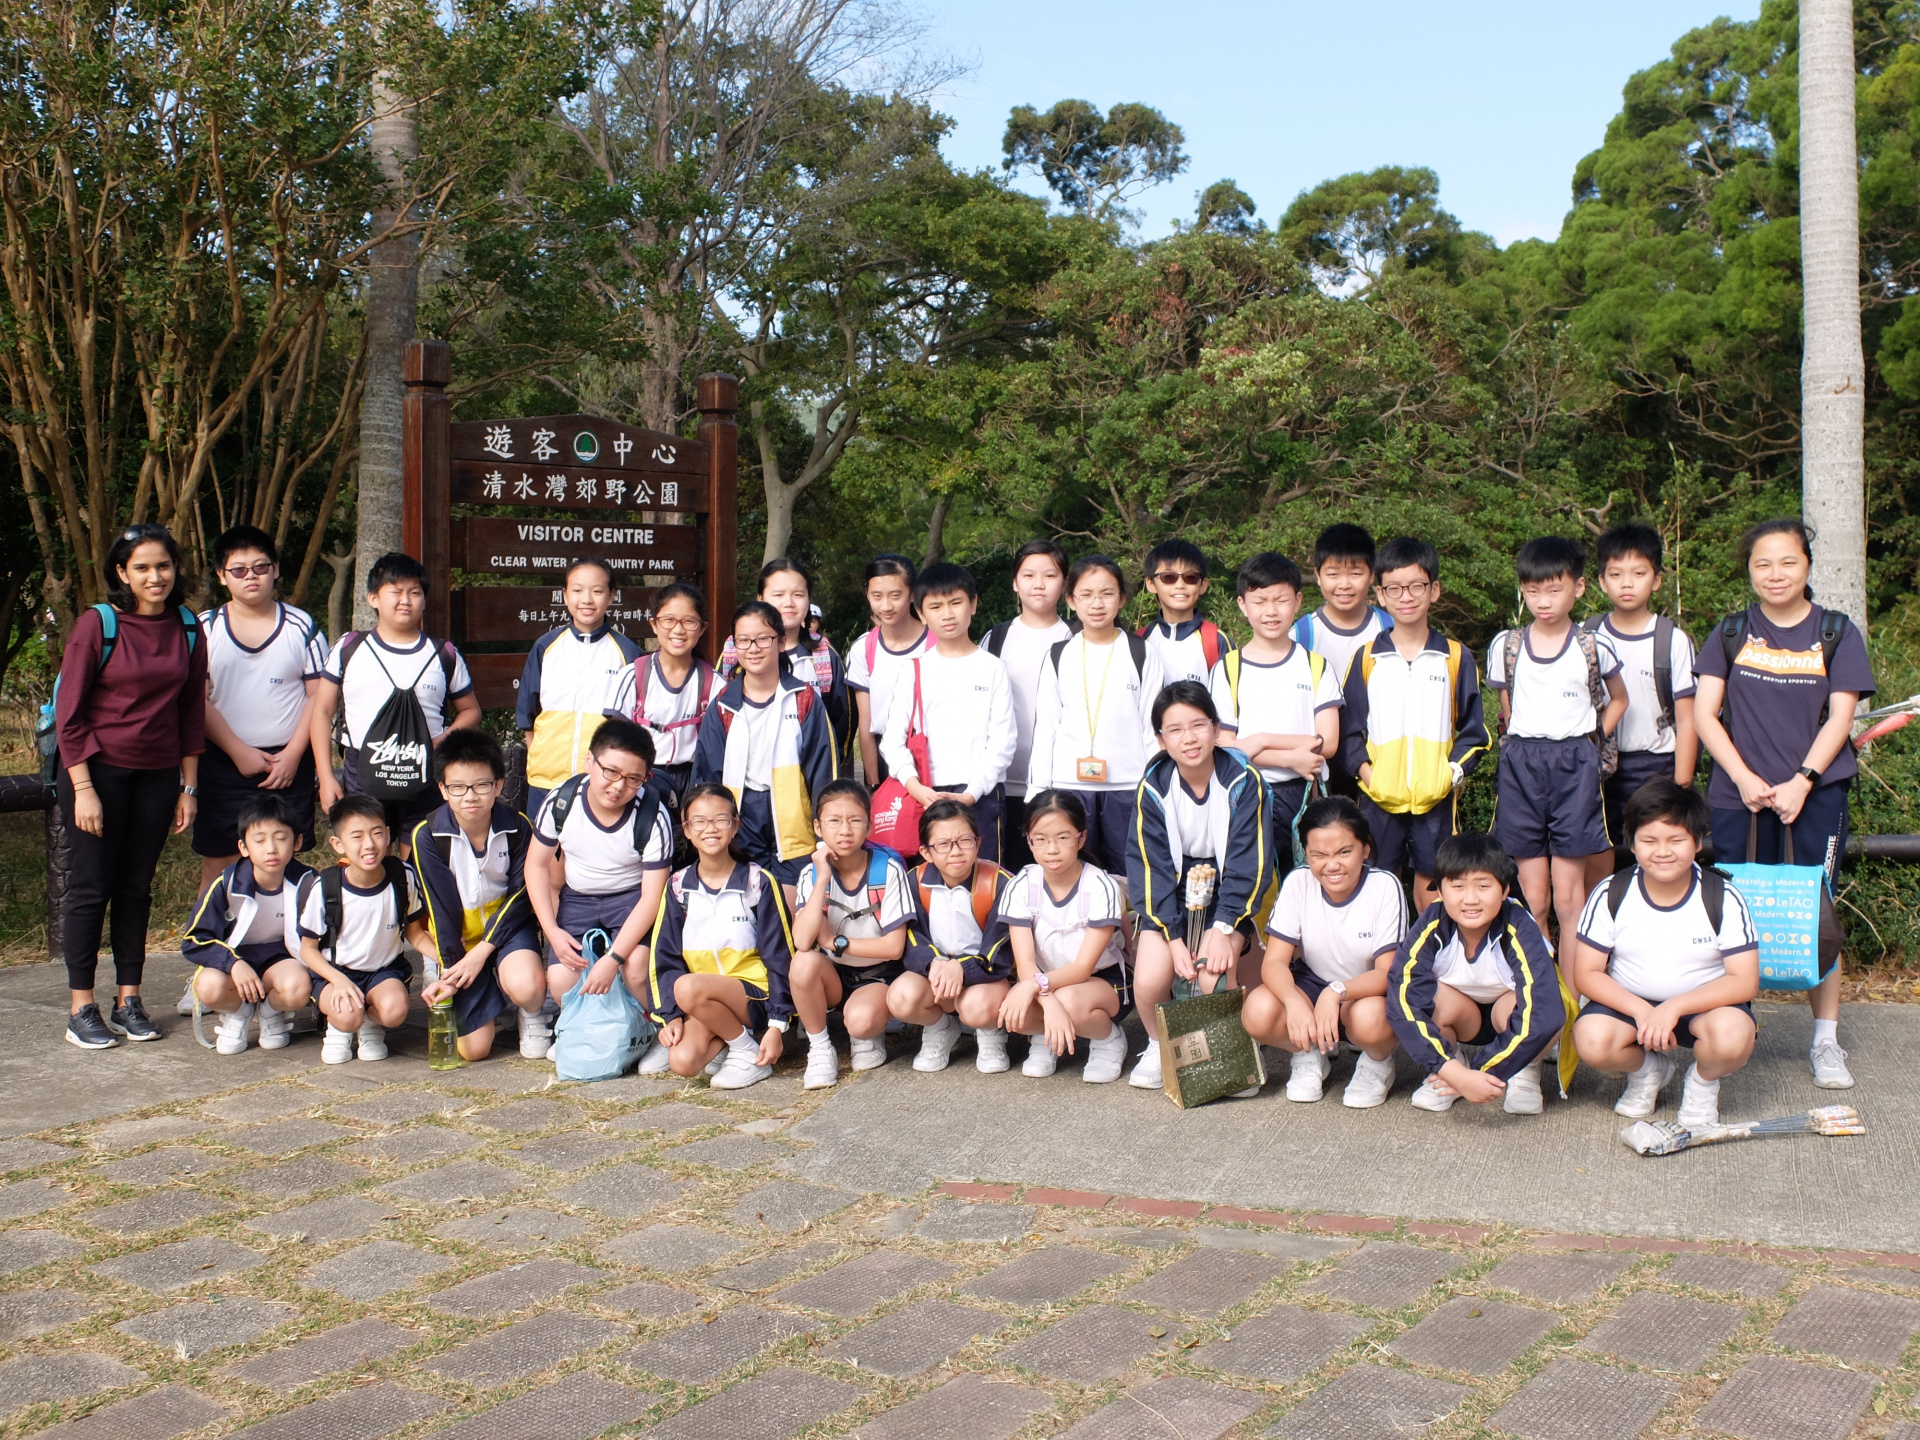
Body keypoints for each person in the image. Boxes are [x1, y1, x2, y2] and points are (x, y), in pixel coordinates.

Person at [1692, 517, 1874, 1090]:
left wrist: (1803, 780)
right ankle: (1734, 1026)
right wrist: (1743, 777)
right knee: (1734, 912)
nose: (1775, 574)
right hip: (1737, 796)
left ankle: (1826, 1040)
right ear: (1749, 571)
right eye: (1763, 564)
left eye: (1788, 562)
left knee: (1816, 910)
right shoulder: (1730, 631)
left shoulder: (1836, 632)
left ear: (1808, 566)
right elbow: (1704, 715)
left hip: (1815, 795)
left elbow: (1840, 717)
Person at [55, 522, 207, 1049]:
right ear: (122, 572)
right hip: (96, 771)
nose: (154, 576)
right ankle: (81, 1007)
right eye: (141, 567)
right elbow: (70, 715)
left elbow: (190, 711)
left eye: (163, 565)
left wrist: (189, 787)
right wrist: (83, 788)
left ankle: (129, 1000)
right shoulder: (97, 624)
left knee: (136, 887)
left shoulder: (187, 626)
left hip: (158, 774)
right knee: (91, 886)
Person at [1571, 781, 1759, 1128]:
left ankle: (1703, 1082)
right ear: (1632, 843)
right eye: (1649, 841)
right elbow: (1587, 973)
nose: (1662, 852)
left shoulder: (1723, 896)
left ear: (1698, 842)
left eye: (1676, 840)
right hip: (1631, 1004)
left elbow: (1744, 981)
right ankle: (1648, 1070)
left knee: (1732, 1037)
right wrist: (1642, 1010)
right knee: (1592, 1040)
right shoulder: (1611, 892)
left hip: (1704, 1007)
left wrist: (1673, 1008)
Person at [1125, 682, 1272, 1092]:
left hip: (1228, 894)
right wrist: (1173, 938)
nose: (1188, 738)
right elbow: (1148, 867)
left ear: (1216, 728)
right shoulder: (1153, 786)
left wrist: (1223, 928)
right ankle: (1159, 1044)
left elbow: (1249, 861)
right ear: (1161, 739)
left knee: (1213, 975)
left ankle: (1235, 1055)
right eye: (1175, 729)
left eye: (1198, 725)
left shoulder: (1244, 780)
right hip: (1173, 894)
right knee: (1150, 979)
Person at [1485, 536, 1628, 955]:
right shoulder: (1506, 645)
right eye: (1533, 591)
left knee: (1568, 897)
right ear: (1522, 590)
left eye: (1553, 590)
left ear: (1578, 588)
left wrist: (1592, 741)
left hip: (1574, 764)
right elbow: (1508, 706)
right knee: (1534, 898)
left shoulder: (1593, 645)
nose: (1543, 601)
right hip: (1521, 764)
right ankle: (1542, 986)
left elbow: (1620, 699)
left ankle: (1576, 990)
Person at [1338, 537, 1489, 911]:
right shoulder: (1367, 658)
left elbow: (1474, 731)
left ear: (1434, 590)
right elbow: (1348, 729)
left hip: (1435, 801)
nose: (1406, 596)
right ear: (1380, 595)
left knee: (1433, 887)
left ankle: (1432, 949)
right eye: (1394, 588)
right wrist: (1369, 775)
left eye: (1416, 586)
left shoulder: (1454, 657)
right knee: (1377, 887)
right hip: (1378, 801)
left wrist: (1449, 774)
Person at [1242, 796, 1409, 1107]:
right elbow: (1274, 961)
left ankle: (1377, 1063)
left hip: (1364, 993)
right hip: (1311, 984)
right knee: (1258, 1010)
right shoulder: (1298, 882)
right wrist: (1293, 1001)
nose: (1332, 865)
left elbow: (1388, 973)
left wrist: (1337, 992)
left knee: (1372, 1019)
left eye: (1344, 852)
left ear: (1365, 848)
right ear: (1306, 853)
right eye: (1318, 854)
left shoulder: (1384, 886)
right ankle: (1307, 1053)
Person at [525, 718, 675, 1061]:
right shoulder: (561, 802)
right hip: (578, 897)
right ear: (590, 761)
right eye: (611, 771)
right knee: (561, 977)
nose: (619, 786)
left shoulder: (653, 816)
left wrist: (613, 959)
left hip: (632, 898)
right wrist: (552, 931)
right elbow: (536, 866)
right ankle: (579, 1028)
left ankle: (655, 1030)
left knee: (635, 966)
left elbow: (652, 897)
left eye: (633, 778)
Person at [312, 552, 480, 853]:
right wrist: (326, 777)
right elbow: (322, 712)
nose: (406, 600)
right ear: (373, 598)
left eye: (415, 592)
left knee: (420, 860)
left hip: (425, 773)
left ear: (424, 601)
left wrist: (442, 739)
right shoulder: (350, 648)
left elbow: (470, 711)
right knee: (368, 857)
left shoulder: (443, 653)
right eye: (396, 591)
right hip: (363, 773)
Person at [1387, 832, 1565, 1115]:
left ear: (1504, 890)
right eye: (1457, 886)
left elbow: (1546, 1012)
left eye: (1483, 886)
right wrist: (1454, 1073)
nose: (1470, 899)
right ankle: (1449, 1066)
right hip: (1461, 1015)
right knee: (1423, 997)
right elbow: (1402, 999)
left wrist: (1487, 1071)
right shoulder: (1432, 923)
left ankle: (1524, 1070)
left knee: (1542, 1009)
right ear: (1440, 891)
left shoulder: (1519, 924)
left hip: (1507, 1013)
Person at [193, 524, 326, 893]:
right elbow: (195, 700)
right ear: (222, 576)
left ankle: (286, 929)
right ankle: (212, 929)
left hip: (288, 764)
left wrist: (293, 755)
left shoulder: (302, 626)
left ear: (276, 569)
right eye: (238, 570)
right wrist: (238, 752)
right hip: (222, 763)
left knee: (284, 860)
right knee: (220, 865)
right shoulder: (205, 629)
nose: (250, 576)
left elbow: (318, 697)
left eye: (260, 567)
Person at [642, 783, 796, 1088]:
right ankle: (736, 1040)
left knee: (686, 986)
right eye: (699, 821)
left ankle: (747, 1052)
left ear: (735, 825)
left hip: (755, 995)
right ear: (686, 829)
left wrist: (778, 1024)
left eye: (720, 820)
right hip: (705, 998)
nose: (710, 829)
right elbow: (663, 955)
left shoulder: (758, 882)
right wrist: (669, 1016)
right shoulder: (678, 886)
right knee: (683, 1062)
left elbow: (781, 955)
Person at [413, 731, 546, 1062]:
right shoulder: (428, 835)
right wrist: (452, 972)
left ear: (498, 785)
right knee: (473, 1050)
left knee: (527, 986)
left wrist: (484, 950)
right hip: (461, 941)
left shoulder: (518, 826)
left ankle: (529, 1011)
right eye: (458, 787)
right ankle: (494, 997)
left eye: (481, 785)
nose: (470, 796)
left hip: (509, 930)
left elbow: (522, 896)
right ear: (443, 789)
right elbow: (440, 910)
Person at [1027, 556, 1164, 871]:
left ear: (1122, 599)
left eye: (1107, 593)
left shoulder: (1142, 652)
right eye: (1086, 594)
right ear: (1071, 601)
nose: (1097, 603)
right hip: (1069, 787)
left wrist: (1154, 787)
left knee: (1130, 873)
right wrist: (1039, 794)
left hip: (1128, 786)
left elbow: (1152, 728)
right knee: (1073, 871)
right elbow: (1046, 726)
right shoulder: (1059, 655)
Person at [1210, 551, 1343, 873]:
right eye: (1260, 601)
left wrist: (1257, 742)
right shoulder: (1228, 669)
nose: (1271, 611)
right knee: (1255, 884)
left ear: (1297, 602)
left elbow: (1327, 743)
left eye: (1281, 600)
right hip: (1247, 792)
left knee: (1309, 880)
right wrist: (1288, 757)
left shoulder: (1315, 666)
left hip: (1306, 795)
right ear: (1242, 604)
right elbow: (1224, 747)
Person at [692, 601, 839, 892]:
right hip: (741, 817)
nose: (753, 648)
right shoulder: (722, 705)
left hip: (793, 818)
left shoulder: (804, 699)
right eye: (744, 640)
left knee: (794, 904)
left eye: (763, 639)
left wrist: (826, 830)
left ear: (781, 642)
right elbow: (708, 775)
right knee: (747, 900)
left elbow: (823, 771)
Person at [879, 562, 1016, 863]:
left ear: (973, 604)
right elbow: (892, 741)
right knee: (930, 875)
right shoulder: (914, 670)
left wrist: (972, 792)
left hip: (981, 795)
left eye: (956, 603)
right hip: (925, 794)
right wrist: (915, 786)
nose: (947, 614)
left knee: (984, 875)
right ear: (920, 613)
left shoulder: (993, 668)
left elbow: (1003, 742)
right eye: (936, 606)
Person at [1586, 523, 1699, 876]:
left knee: (1657, 858)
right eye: (1616, 574)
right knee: (1597, 856)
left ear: (1657, 580)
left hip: (1656, 767)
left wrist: (1681, 788)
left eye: (1639, 573)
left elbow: (1688, 720)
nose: (1627, 583)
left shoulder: (1672, 640)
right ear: (1601, 581)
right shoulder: (1587, 636)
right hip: (1596, 766)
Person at [996, 789, 1132, 1081]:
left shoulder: (1101, 885)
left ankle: (1108, 1037)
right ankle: (1047, 1035)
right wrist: (1047, 1002)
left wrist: (1036, 988)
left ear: (1081, 838)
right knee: (1012, 1009)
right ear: (1029, 840)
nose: (1052, 849)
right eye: (1041, 839)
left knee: (1067, 1001)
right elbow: (1026, 962)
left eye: (1063, 838)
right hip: (1043, 980)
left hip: (1102, 981)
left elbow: (1083, 967)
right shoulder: (1021, 884)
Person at [789, 779, 915, 1088]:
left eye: (855, 821)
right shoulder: (811, 874)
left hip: (878, 975)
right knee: (803, 962)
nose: (845, 830)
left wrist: (836, 943)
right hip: (834, 975)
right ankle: (820, 1048)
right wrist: (822, 879)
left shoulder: (888, 869)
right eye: (834, 821)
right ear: (818, 827)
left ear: (869, 826)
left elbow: (893, 947)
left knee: (860, 1022)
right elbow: (803, 941)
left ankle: (870, 1031)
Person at [183, 794, 320, 1055]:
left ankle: (270, 1012)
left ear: (297, 842)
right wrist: (233, 963)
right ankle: (239, 1013)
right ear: (244, 847)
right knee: (208, 987)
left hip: (280, 961)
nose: (271, 848)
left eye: (281, 838)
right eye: (260, 840)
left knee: (298, 986)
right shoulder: (227, 884)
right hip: (234, 963)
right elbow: (193, 940)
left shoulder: (308, 882)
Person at [888, 799, 1016, 1073]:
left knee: (978, 1007)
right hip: (935, 973)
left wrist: (961, 968)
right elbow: (911, 936)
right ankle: (940, 1028)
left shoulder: (1000, 882)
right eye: (943, 844)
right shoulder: (914, 881)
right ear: (926, 852)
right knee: (901, 997)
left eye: (964, 841)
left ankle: (991, 1033)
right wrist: (935, 963)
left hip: (986, 978)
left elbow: (1000, 948)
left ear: (978, 843)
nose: (956, 851)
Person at [299, 794, 426, 1064]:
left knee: (395, 1011)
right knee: (347, 1015)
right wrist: (338, 980)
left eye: (377, 833)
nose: (369, 844)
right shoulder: (326, 888)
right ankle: (339, 1028)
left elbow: (415, 933)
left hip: (384, 971)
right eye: (357, 837)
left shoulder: (402, 877)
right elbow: (308, 950)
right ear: (338, 844)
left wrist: (446, 960)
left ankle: (370, 1023)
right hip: (337, 973)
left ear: (388, 835)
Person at [517, 557, 644, 820]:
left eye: (597, 591)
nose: (586, 599)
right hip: (545, 780)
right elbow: (528, 717)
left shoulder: (628, 653)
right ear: (564, 595)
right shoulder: (546, 647)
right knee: (544, 844)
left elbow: (632, 724)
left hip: (602, 783)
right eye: (577, 590)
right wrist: (540, 762)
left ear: (612, 596)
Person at [983, 539, 1073, 870]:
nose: (1039, 584)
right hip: (1003, 782)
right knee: (1006, 871)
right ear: (1014, 582)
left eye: (1050, 575)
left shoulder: (1076, 638)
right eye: (1029, 575)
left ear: (1065, 584)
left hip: (1059, 782)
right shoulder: (996, 638)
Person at [605, 581, 718, 810]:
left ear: (702, 628)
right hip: (640, 778)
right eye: (669, 620)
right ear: (654, 624)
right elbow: (615, 741)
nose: (678, 630)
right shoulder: (632, 676)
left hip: (695, 782)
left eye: (689, 621)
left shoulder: (714, 683)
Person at [720, 558, 849, 750]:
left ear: (809, 599)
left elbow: (841, 719)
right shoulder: (736, 649)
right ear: (760, 598)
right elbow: (720, 709)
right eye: (778, 594)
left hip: (811, 763)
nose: (789, 603)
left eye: (798, 594)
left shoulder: (823, 654)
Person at [846, 554, 932, 785]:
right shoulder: (864, 649)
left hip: (931, 757)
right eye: (877, 596)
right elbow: (866, 725)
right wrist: (874, 784)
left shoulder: (937, 643)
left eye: (895, 595)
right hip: (884, 760)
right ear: (867, 595)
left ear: (912, 593)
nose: (886, 606)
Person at [1292, 523, 1394, 694]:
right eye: (1333, 574)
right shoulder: (1301, 636)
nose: (1344, 584)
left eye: (1355, 574)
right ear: (1318, 576)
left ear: (1371, 575)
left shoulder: (1390, 630)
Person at [1137, 539, 1223, 684]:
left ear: (1203, 585)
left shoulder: (1217, 641)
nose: (1180, 585)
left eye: (1191, 577)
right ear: (1151, 584)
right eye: (1168, 577)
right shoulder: (1139, 641)